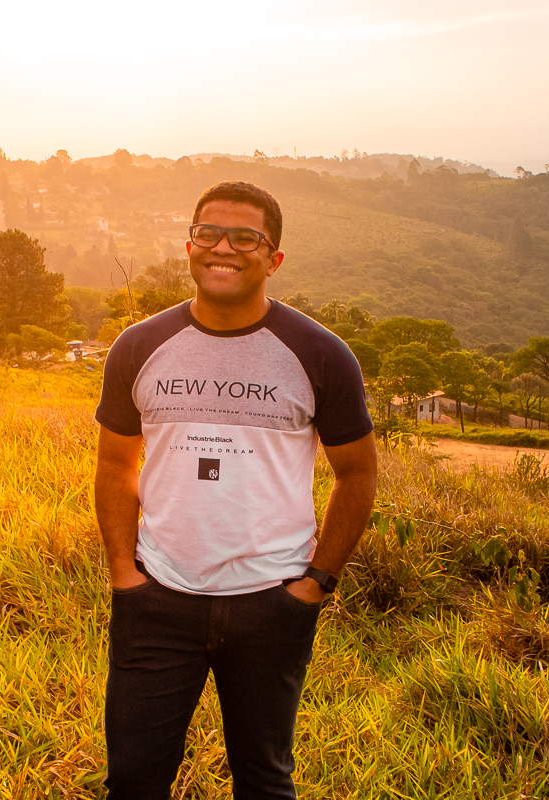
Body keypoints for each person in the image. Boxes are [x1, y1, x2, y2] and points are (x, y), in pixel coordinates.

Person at [94, 181, 378, 799]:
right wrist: (123, 572)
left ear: (272, 257)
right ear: (189, 246)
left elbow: (357, 473)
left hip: (271, 604)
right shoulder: (139, 346)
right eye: (208, 233)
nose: (224, 247)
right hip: (157, 601)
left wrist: (314, 585)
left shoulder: (320, 353)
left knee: (264, 781)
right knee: (134, 782)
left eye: (245, 237)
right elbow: (115, 464)